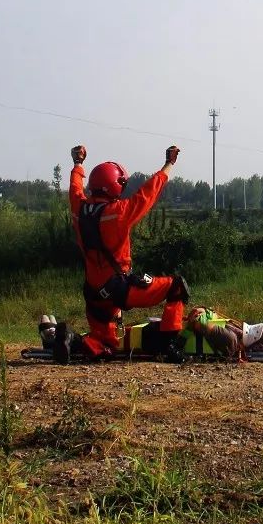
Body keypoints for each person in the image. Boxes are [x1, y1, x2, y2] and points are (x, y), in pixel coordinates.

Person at [66, 143, 190, 361]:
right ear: (113, 185)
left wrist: (78, 164)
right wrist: (169, 164)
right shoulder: (118, 213)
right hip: (118, 290)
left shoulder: (79, 209)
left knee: (107, 345)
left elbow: (75, 187)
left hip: (93, 294)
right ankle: (168, 346)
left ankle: (72, 341)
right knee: (176, 286)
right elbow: (148, 193)